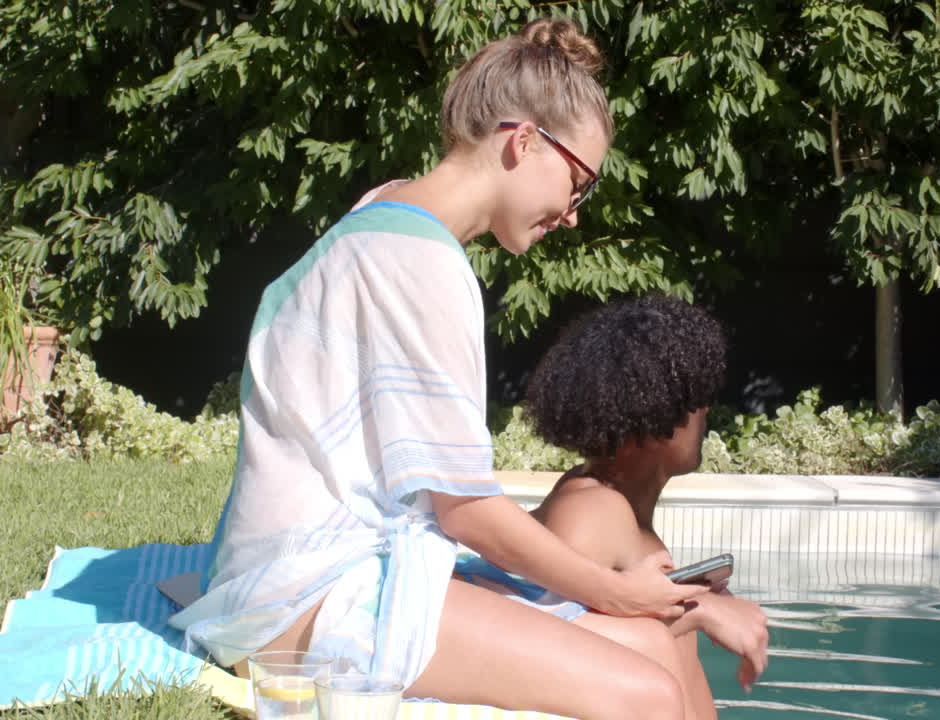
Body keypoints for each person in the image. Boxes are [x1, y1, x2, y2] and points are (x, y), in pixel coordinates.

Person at [168, 18, 708, 720]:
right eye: (580, 185)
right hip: (303, 596)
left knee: (658, 648)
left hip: (296, 574)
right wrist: (611, 591)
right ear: (524, 142)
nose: (574, 215)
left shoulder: (385, 211)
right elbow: (467, 512)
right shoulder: (421, 263)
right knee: (649, 695)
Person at [518, 294, 770, 720]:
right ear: (653, 418)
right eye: (694, 400)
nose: (706, 410)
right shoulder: (593, 510)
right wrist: (698, 613)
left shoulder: (618, 507)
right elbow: (539, 654)